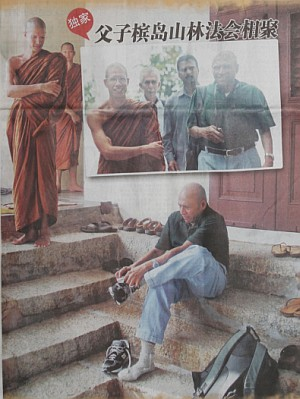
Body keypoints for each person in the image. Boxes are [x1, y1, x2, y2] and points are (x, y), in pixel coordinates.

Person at [109, 182, 229, 381]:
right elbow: (157, 250)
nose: (182, 211)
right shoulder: (175, 218)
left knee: (196, 253)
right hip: (185, 279)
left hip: (211, 278)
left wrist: (145, 271)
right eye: (179, 205)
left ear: (202, 204)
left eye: (187, 207)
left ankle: (142, 282)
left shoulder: (214, 220)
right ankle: (146, 358)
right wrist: (133, 267)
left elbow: (178, 251)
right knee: (160, 284)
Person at [6, 16, 67, 247]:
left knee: (44, 175)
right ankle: (28, 230)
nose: (38, 41)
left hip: (43, 123)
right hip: (21, 121)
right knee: (23, 175)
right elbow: (10, 92)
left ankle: (43, 230)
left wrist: (26, 93)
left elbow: (56, 94)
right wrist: (40, 86)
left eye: (42, 37)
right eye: (34, 37)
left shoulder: (54, 60)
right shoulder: (13, 62)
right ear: (25, 36)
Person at [188, 50, 275, 170]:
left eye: (226, 67)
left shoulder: (252, 92)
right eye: (216, 68)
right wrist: (204, 131)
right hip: (210, 160)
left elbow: (265, 129)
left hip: (245, 158)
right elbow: (190, 129)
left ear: (237, 68)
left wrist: (269, 158)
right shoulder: (200, 93)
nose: (221, 72)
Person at [87, 63, 165, 174]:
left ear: (127, 81)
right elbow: (108, 152)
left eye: (122, 79)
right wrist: (144, 149)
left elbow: (156, 151)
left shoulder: (143, 110)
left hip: (136, 173)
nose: (118, 84)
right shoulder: (96, 115)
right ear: (105, 83)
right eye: (113, 79)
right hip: (110, 173)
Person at [163, 54, 199, 171]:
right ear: (179, 74)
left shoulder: (208, 97)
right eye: (184, 69)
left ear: (198, 70)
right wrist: (170, 159)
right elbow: (167, 136)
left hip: (206, 160)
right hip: (181, 163)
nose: (188, 72)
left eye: (191, 68)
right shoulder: (172, 102)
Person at [55, 42, 83, 193]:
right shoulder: (56, 73)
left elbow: (84, 90)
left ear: (74, 53)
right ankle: (57, 182)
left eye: (70, 52)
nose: (67, 55)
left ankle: (73, 183)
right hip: (62, 115)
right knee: (61, 148)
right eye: (64, 52)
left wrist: (77, 112)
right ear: (61, 54)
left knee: (74, 148)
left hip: (77, 115)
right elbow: (55, 98)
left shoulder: (80, 70)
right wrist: (70, 112)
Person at [139, 66, 164, 134]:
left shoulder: (166, 107)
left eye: (153, 82)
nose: (150, 86)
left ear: (158, 85)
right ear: (141, 86)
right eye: (147, 82)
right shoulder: (135, 108)